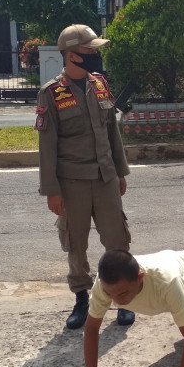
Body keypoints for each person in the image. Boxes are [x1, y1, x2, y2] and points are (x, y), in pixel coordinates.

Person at [36, 24, 134, 330]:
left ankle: (122, 298)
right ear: (71, 55)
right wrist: (52, 190)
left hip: (105, 178)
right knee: (75, 243)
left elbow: (111, 131)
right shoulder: (52, 93)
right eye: (89, 51)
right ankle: (81, 297)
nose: (95, 55)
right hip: (72, 182)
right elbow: (47, 145)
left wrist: (120, 171)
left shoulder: (100, 84)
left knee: (117, 239)